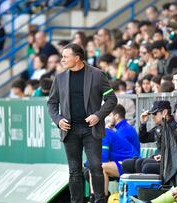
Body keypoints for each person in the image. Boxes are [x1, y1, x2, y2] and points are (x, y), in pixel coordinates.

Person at [47, 43, 117, 203]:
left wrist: (98, 115)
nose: (62, 60)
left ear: (77, 58)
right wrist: (58, 120)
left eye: (66, 56)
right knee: (74, 171)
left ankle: (100, 200)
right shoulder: (59, 78)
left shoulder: (97, 75)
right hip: (69, 131)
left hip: (91, 130)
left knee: (96, 168)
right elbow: (51, 103)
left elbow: (111, 99)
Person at [122, 100, 177, 186]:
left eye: (155, 113)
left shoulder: (174, 128)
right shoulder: (159, 127)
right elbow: (143, 138)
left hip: (169, 163)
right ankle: (132, 191)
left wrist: (163, 156)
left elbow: (175, 150)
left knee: (145, 166)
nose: (152, 116)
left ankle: (146, 191)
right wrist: (143, 124)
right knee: (127, 164)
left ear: (164, 112)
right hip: (159, 159)